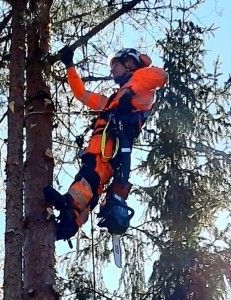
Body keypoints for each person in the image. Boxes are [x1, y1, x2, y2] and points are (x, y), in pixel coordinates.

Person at [45, 46, 167, 240]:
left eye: (116, 65)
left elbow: (160, 76)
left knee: (90, 178)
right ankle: (71, 221)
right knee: (90, 181)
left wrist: (132, 86)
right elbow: (81, 94)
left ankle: (70, 205)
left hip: (112, 148)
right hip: (100, 148)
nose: (112, 71)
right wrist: (69, 65)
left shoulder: (141, 87)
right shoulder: (110, 100)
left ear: (129, 63)